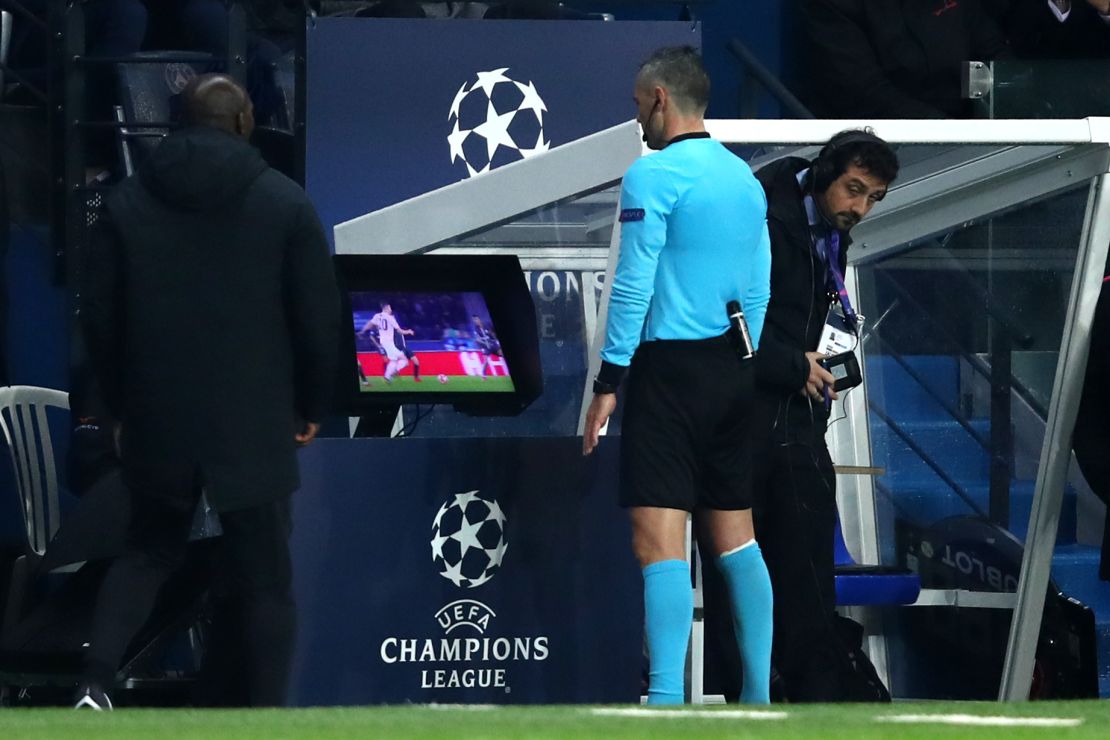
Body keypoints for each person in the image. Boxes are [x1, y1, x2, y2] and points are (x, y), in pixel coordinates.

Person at [76, 73, 339, 709]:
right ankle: (268, 715)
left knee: (147, 552)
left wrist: (117, 407)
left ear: (177, 122)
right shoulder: (285, 202)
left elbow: (101, 321)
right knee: (266, 581)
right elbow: (317, 318)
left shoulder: (127, 203)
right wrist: (311, 404)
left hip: (159, 415)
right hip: (253, 420)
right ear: (246, 121)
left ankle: (92, 684)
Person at [582, 46, 774, 705]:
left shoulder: (653, 175)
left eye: (639, 107)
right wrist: (741, 361)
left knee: (656, 540)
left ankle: (664, 704)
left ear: (661, 98)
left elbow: (632, 284)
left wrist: (609, 382)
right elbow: (758, 288)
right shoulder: (746, 180)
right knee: (735, 537)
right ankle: (757, 703)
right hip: (731, 370)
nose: (638, 121)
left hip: (668, 374)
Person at [746, 129, 899, 702]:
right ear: (822, 174)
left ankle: (801, 693)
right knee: (785, 572)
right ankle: (796, 697)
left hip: (800, 415)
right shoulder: (763, 214)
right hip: (761, 419)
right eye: (854, 190)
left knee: (806, 568)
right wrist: (790, 364)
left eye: (873, 199)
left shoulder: (829, 227)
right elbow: (725, 310)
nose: (859, 208)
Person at [800, 0, 1010, 118]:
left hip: (973, 126)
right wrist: (948, 129)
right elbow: (863, 92)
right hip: (885, 145)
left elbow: (990, 52)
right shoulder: (832, 6)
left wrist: (1010, 99)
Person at [357, 303, 414, 383]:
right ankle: (395, 372)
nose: (391, 310)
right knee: (405, 360)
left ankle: (387, 377)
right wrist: (408, 331)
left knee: (393, 360)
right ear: (386, 308)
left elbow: (370, 324)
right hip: (389, 343)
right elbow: (400, 331)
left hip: (384, 342)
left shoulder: (377, 316)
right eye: (390, 308)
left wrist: (362, 331)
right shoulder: (390, 318)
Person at [471, 314, 499, 379]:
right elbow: (477, 338)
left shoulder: (486, 324)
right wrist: (481, 342)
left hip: (492, 343)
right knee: (486, 361)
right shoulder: (476, 329)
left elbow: (493, 332)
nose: (475, 321)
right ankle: (484, 374)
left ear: (479, 319)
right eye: (474, 320)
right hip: (485, 346)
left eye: (476, 319)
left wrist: (495, 339)